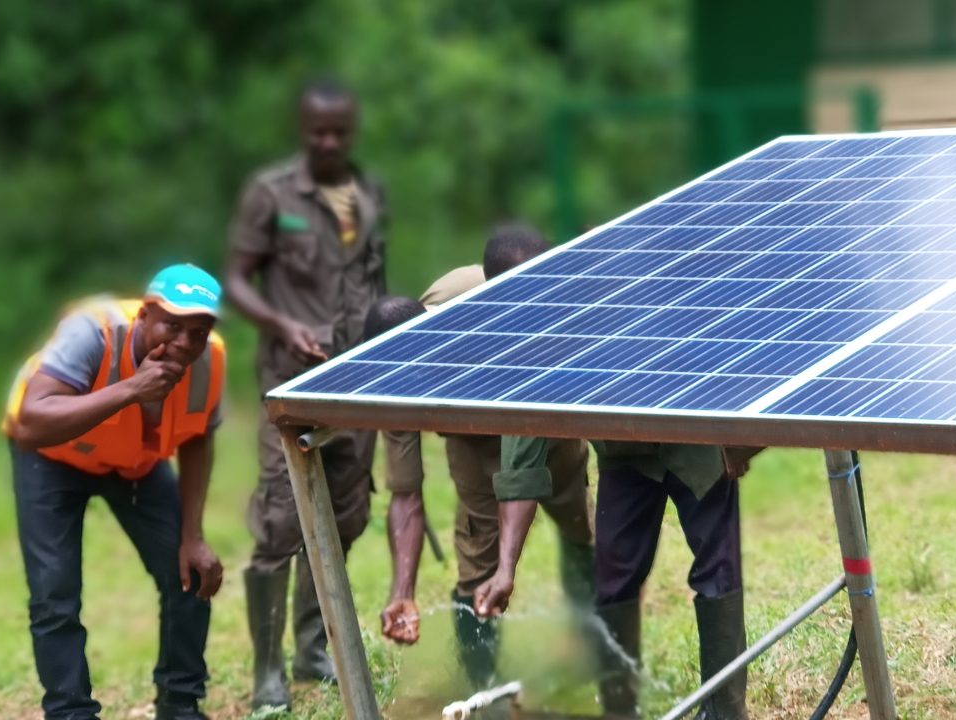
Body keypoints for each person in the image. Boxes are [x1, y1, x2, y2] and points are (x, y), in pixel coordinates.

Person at [224, 77, 388, 710]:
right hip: (289, 382)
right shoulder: (270, 194)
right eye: (318, 131)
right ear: (302, 129)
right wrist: (280, 324)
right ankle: (267, 671)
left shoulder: (368, 193)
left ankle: (313, 646)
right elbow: (237, 279)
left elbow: (375, 281)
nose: (328, 142)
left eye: (339, 132)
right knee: (279, 522)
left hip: (355, 381)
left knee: (346, 514)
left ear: (352, 131)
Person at [375, 224, 595, 691]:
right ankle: (484, 690)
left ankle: (592, 642)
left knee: (583, 529)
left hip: (546, 415)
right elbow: (406, 493)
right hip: (475, 446)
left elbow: (529, 443)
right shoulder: (392, 376)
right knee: (479, 561)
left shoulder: (500, 301)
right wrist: (402, 592)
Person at [2, 263, 227, 720]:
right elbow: (31, 424)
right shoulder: (92, 332)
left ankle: (180, 703)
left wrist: (193, 536)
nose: (185, 342)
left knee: (188, 572)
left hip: (135, 462)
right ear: (144, 315)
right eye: (172, 325)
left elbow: (198, 438)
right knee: (54, 595)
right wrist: (131, 390)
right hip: (52, 458)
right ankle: (70, 712)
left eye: (197, 332)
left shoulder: (209, 360)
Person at [478, 432, 759, 718]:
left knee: (717, 573)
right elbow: (521, 462)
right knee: (612, 579)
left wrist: (741, 442)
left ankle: (724, 712)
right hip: (624, 447)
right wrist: (505, 569)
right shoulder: (540, 400)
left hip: (695, 441)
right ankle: (620, 710)